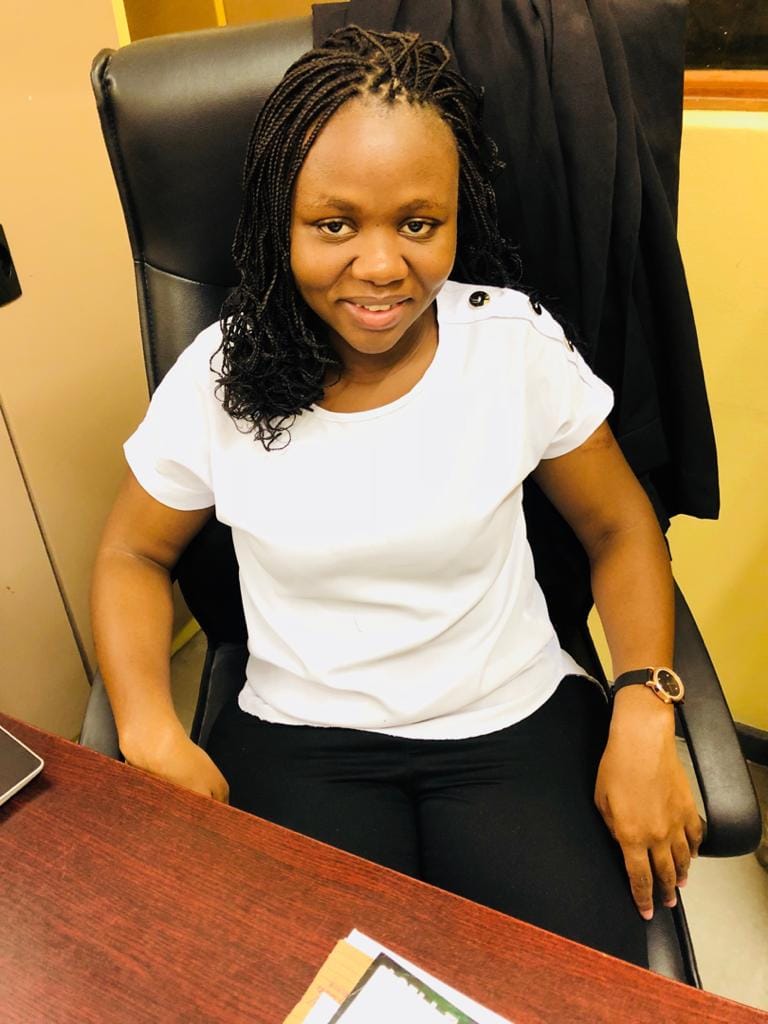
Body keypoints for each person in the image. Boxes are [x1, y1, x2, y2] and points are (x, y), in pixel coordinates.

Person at [91, 26, 703, 969]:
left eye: (418, 224)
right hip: (301, 736)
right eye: (335, 225)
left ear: (459, 215)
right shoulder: (221, 374)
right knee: (292, 993)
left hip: (513, 723)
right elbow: (133, 551)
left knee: (562, 995)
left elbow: (621, 527)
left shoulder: (512, 347)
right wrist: (147, 726)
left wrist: (644, 703)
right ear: (281, 220)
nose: (382, 268)